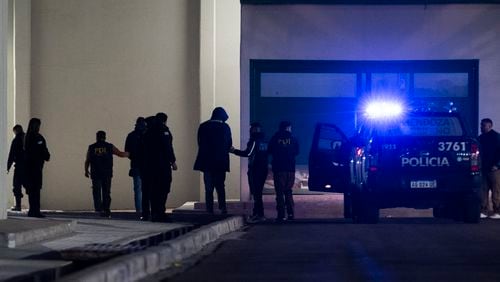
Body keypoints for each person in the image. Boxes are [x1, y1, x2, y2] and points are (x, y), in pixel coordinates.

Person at [194, 107, 232, 215]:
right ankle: (222, 207)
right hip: (220, 162)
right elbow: (229, 143)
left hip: (206, 162)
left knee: (208, 187)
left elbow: (199, 143)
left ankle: (209, 209)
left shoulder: (203, 126)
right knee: (220, 186)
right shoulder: (225, 127)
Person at [142, 113, 177, 222]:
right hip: (162, 165)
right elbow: (168, 147)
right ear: (165, 120)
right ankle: (160, 213)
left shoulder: (147, 132)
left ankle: (154, 213)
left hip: (149, 166)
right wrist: (173, 161)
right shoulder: (163, 131)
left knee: (153, 189)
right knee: (163, 188)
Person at [85, 130, 128, 218]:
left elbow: (88, 160)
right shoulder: (109, 146)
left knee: (96, 192)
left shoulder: (92, 147)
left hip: (96, 173)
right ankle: (106, 209)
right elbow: (120, 154)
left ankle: (98, 210)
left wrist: (86, 170)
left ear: (96, 137)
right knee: (106, 192)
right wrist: (131, 154)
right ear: (105, 137)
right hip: (107, 173)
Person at [230, 122, 268, 222]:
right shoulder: (265, 140)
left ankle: (259, 214)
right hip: (263, 168)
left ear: (254, 130)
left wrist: (234, 151)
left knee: (256, 192)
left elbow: (248, 153)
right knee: (258, 192)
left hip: (255, 169)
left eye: (251, 129)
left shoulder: (254, 141)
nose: (250, 130)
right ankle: (257, 213)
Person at [268, 121, 299, 222]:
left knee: (279, 192)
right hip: (290, 169)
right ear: (288, 128)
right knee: (288, 191)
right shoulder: (293, 139)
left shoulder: (275, 138)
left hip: (279, 169)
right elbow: (297, 152)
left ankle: (281, 215)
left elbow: (270, 150)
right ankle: (291, 214)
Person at [24, 118, 50, 218]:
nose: (38, 127)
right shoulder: (33, 137)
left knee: (34, 189)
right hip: (33, 167)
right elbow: (40, 150)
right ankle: (34, 210)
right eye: (37, 125)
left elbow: (44, 150)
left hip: (35, 167)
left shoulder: (32, 137)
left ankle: (34, 210)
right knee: (34, 189)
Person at [479, 118, 500, 219]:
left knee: (496, 190)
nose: (481, 127)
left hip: (494, 169)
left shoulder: (496, 137)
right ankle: (484, 210)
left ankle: (497, 211)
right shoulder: (480, 138)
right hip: (485, 168)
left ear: (490, 126)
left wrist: (497, 165)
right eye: (481, 125)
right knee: (484, 190)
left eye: (483, 125)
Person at [125, 117, 147, 215]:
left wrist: (134, 157)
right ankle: (147, 210)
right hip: (147, 165)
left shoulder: (131, 136)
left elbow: (127, 152)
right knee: (148, 189)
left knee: (138, 189)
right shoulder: (148, 135)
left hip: (136, 164)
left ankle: (139, 211)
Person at [7, 125, 26, 211]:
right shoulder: (27, 138)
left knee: (17, 186)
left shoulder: (16, 140)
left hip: (19, 166)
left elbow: (11, 155)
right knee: (31, 187)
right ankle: (34, 207)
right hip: (29, 166)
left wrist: (8, 167)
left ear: (15, 131)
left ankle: (18, 206)